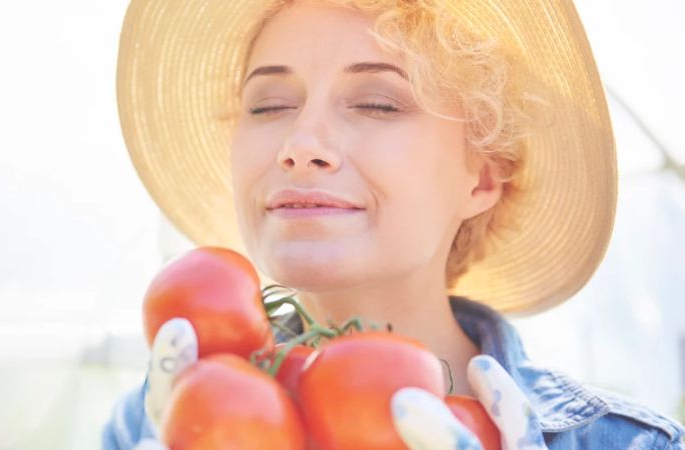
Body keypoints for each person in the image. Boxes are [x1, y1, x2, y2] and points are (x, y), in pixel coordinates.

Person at [106, 0, 685, 448]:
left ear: (481, 179)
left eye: (377, 103)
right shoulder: (151, 423)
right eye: (269, 104)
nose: (300, 144)